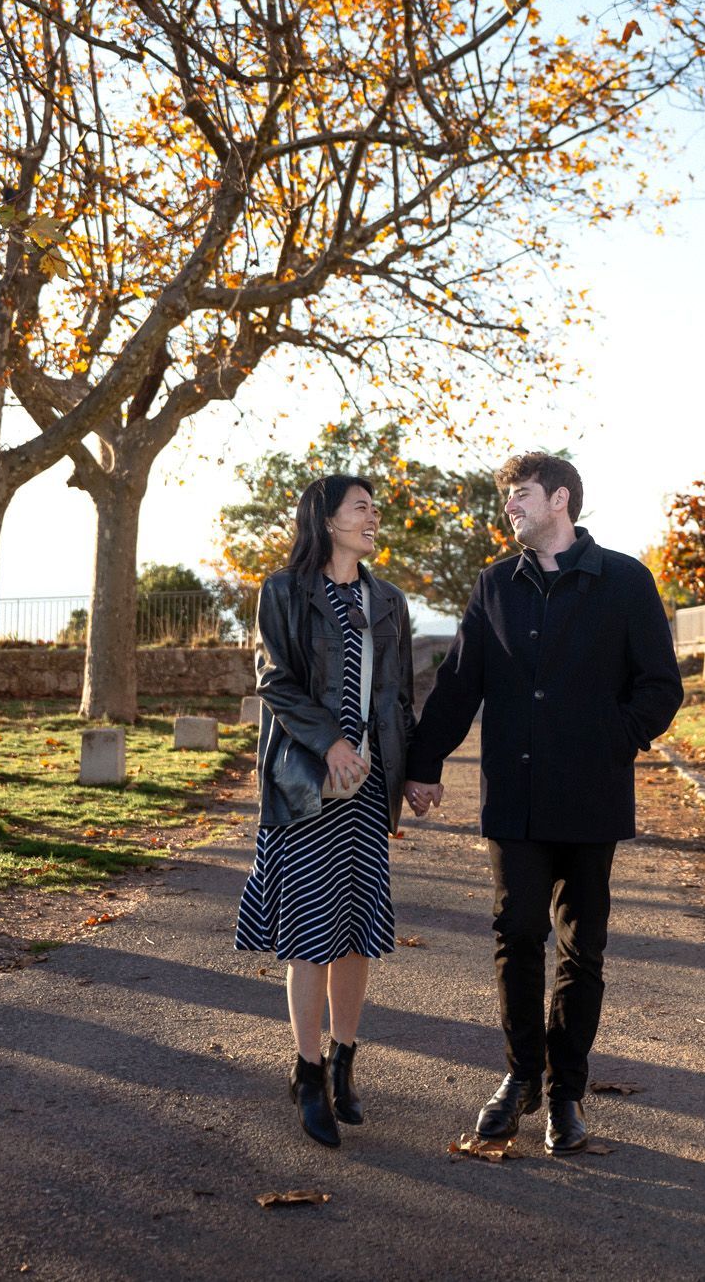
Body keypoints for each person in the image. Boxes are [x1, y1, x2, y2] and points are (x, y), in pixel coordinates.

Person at [404, 452, 683, 1156]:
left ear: (560, 499)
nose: (510, 508)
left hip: (591, 797)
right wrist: (422, 763)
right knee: (516, 935)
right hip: (516, 797)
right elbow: (460, 682)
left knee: (581, 951)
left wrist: (607, 741)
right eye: (507, 499)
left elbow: (659, 688)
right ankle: (520, 1077)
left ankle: (566, 1094)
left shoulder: (623, 580)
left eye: (520, 496)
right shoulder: (495, 584)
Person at [236, 474, 415, 1147]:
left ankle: (344, 1059)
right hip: (307, 785)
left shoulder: (387, 600)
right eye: (360, 507)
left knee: (357, 930)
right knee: (311, 931)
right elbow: (275, 679)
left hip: (366, 788)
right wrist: (331, 742)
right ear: (327, 518)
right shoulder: (284, 591)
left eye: (373, 508)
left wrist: (414, 772)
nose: (372, 517)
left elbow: (397, 700)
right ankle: (307, 1071)